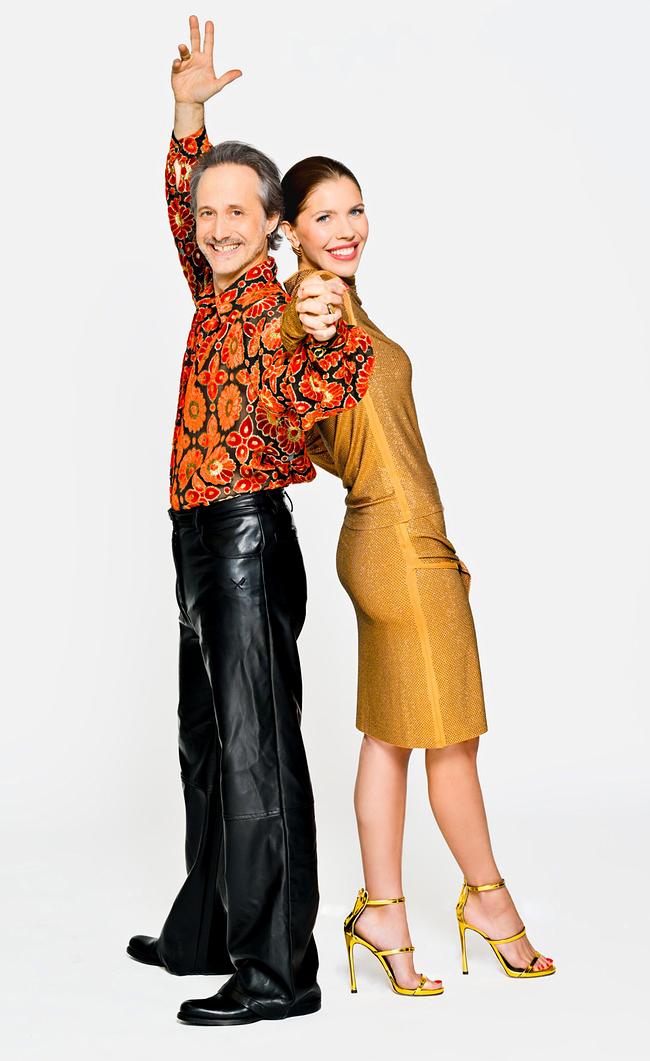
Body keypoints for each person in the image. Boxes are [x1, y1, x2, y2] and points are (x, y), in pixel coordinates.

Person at [127, 18, 373, 1027]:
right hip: (195, 540)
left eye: (239, 211)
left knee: (255, 752)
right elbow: (183, 176)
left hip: (243, 542)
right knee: (203, 742)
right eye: (205, 211)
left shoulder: (285, 301)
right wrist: (191, 110)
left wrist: (325, 326)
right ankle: (204, 926)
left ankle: (278, 971)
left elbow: (331, 372)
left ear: (273, 223)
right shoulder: (210, 285)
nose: (218, 223)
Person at [280, 156, 555, 995]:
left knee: (390, 736)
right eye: (324, 217)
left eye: (356, 210)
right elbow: (304, 338)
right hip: (398, 544)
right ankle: (493, 906)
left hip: (388, 539)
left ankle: (386, 916)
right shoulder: (315, 305)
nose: (348, 228)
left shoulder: (349, 304)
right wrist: (307, 318)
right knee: (452, 743)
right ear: (290, 233)